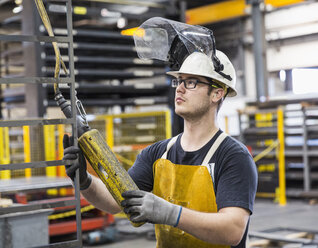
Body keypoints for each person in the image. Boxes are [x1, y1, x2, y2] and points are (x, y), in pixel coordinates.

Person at [63, 47, 257, 247]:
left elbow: (232, 229)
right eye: (179, 81)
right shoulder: (157, 153)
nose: (179, 88)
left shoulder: (233, 156)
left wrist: (170, 213)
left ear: (217, 93)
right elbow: (117, 201)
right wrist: (84, 180)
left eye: (191, 82)